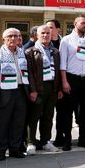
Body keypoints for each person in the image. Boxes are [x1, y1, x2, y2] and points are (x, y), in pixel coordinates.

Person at [0, 28, 30, 161]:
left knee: (18, 123)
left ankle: (14, 148)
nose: (14, 38)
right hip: (4, 92)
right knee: (3, 123)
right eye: (10, 36)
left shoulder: (23, 53)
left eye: (17, 36)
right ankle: (1, 150)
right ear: (3, 39)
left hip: (21, 91)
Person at [58, 16, 85, 151]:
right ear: (75, 24)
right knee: (68, 112)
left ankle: (83, 139)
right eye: (83, 23)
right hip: (71, 79)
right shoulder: (66, 40)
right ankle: (67, 141)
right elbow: (62, 63)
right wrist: (64, 81)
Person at [25, 24, 62, 154]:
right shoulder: (30, 52)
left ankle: (46, 141)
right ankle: (30, 142)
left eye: (48, 33)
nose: (46, 35)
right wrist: (33, 90)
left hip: (52, 88)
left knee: (48, 116)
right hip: (39, 89)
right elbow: (29, 73)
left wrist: (59, 89)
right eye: (43, 33)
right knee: (34, 116)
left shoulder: (55, 51)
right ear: (37, 35)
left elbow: (58, 71)